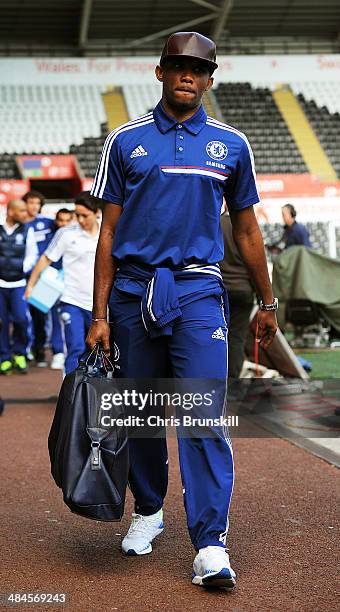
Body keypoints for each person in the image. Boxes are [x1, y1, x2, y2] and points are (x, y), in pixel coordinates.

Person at [86, 31, 278, 590]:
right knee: (142, 416)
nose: (188, 75)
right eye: (178, 66)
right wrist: (98, 314)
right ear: (161, 72)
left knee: (201, 413)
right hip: (131, 294)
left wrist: (267, 302)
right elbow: (109, 232)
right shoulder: (124, 141)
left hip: (198, 292)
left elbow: (246, 229)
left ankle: (211, 545)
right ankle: (149, 509)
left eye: (199, 68)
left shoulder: (232, 144)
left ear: (210, 79)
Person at [25, 192, 100, 375]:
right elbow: (45, 259)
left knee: (97, 352)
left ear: (97, 212)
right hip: (71, 300)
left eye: (85, 215)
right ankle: (71, 397)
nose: (80, 220)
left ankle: (94, 395)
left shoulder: (108, 234)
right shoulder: (66, 233)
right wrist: (31, 286)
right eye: (77, 215)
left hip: (99, 306)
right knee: (75, 348)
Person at [0, 199, 38, 374]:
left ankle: (20, 353)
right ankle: (4, 357)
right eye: (22, 211)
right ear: (11, 212)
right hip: (0, 284)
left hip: (18, 284)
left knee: (21, 319)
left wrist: (21, 268)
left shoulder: (27, 230)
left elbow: (33, 254)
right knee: (1, 323)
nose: (26, 213)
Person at [220, 208, 255, 380]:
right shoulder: (247, 225)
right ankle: (233, 383)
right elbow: (255, 260)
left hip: (219, 291)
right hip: (243, 290)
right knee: (236, 339)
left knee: (217, 338)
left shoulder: (215, 223)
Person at [24, 190, 55, 367]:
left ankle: (40, 350)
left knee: (41, 314)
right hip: (22, 277)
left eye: (37, 203)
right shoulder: (20, 224)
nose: (34, 206)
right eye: (30, 202)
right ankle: (23, 349)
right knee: (21, 315)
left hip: (44, 277)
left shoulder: (48, 223)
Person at [49, 208, 73, 370]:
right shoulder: (54, 237)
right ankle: (57, 352)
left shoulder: (77, 236)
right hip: (53, 281)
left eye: (67, 220)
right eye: (61, 220)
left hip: (73, 284)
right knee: (54, 318)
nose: (63, 224)